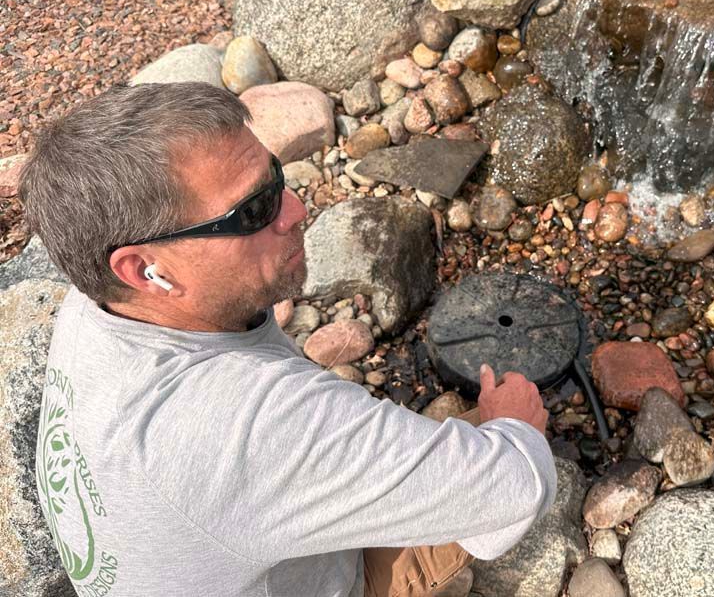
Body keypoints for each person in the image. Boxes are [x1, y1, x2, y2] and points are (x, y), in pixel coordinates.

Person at [20, 82, 556, 597]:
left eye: (275, 176)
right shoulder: (249, 426)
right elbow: (511, 487)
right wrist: (511, 424)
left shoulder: (91, 308)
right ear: (147, 270)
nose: (298, 209)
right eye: (253, 210)